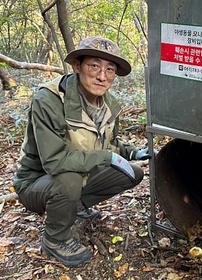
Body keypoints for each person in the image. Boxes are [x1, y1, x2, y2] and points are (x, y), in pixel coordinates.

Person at [13, 36, 151, 268]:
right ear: (77, 66)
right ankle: (55, 239)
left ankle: (72, 206)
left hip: (76, 175)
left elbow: (110, 143)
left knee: (132, 173)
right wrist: (106, 157)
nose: (102, 76)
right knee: (69, 178)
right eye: (94, 66)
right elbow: (55, 162)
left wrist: (133, 153)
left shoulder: (108, 103)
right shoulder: (50, 100)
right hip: (36, 183)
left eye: (110, 69)